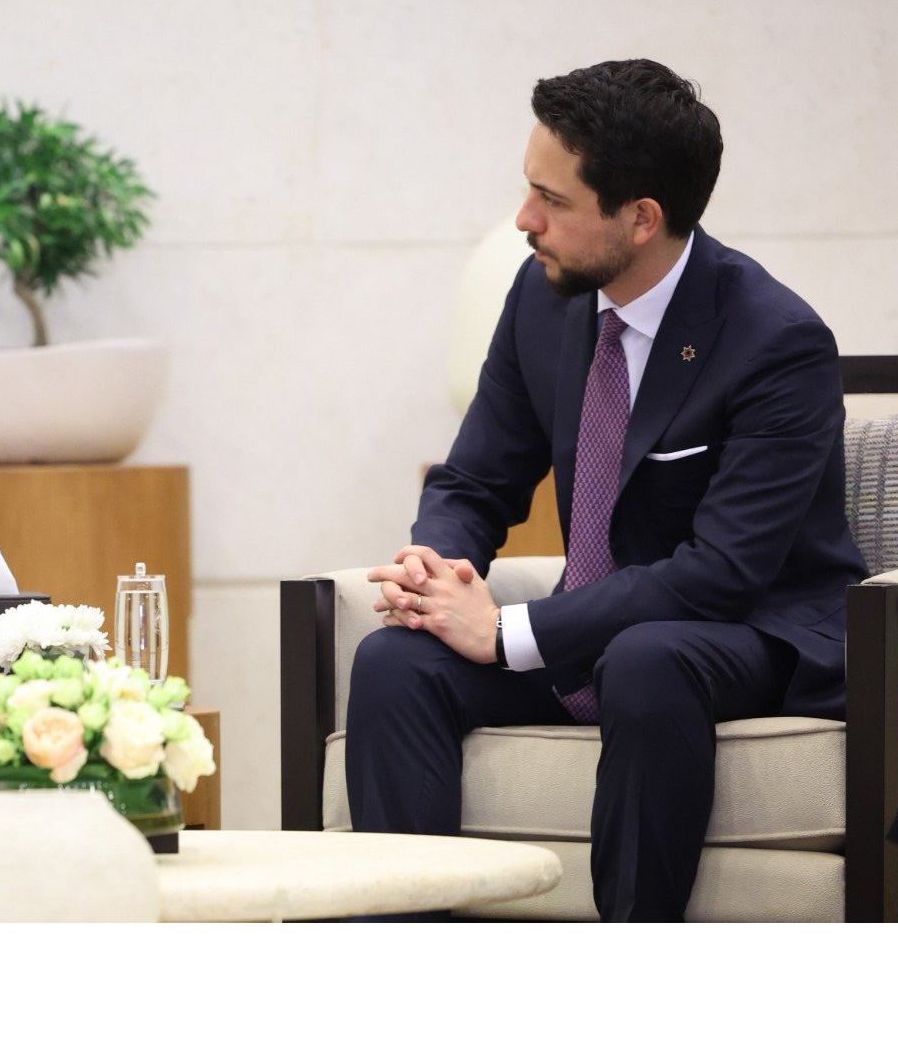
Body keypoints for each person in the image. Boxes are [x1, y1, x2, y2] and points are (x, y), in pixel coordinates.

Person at [346, 59, 867, 922]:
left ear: (640, 218)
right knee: (396, 661)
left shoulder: (777, 341)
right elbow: (478, 478)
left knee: (649, 656)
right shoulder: (543, 299)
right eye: (527, 188)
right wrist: (434, 569)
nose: (524, 220)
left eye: (551, 200)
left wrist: (511, 629)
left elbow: (722, 573)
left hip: (751, 633)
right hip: (598, 630)